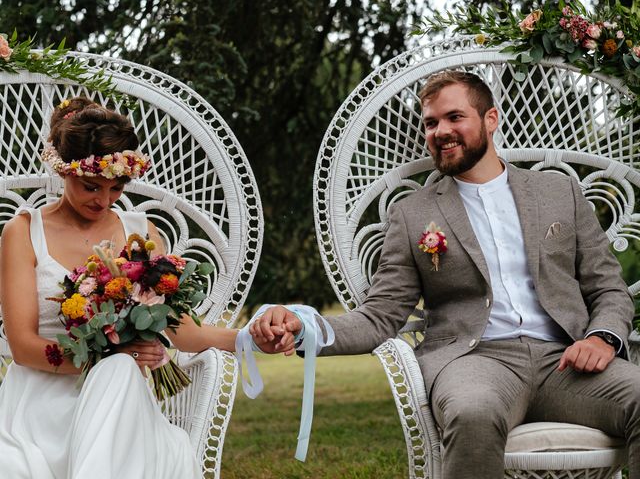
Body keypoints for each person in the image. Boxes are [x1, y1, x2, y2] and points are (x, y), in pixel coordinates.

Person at [251, 71, 640, 478]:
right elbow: (380, 315)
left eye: (455, 117)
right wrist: (303, 328)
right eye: (431, 123)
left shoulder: (559, 192)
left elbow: (608, 286)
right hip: (474, 361)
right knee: (473, 413)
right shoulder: (414, 214)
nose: (441, 131)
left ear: (491, 119)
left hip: (565, 360)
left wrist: (602, 337)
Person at [0, 97, 293, 479]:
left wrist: (250, 338)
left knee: (121, 370)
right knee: (119, 365)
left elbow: (183, 332)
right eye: (91, 187)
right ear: (62, 170)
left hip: (122, 403)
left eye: (117, 187)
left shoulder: (142, 234)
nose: (104, 200)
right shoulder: (24, 232)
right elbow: (22, 348)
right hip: (42, 403)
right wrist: (110, 354)